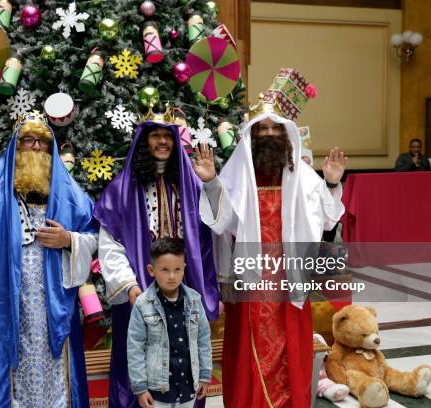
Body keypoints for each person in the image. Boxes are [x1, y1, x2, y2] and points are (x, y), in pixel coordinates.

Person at [196, 75, 347, 408]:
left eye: (275, 129)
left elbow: (326, 218)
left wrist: (332, 183)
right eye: (261, 130)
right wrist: (210, 183)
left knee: (288, 350)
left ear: (286, 134)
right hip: (249, 285)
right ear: (250, 136)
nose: (268, 135)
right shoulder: (236, 175)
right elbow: (221, 221)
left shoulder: (304, 177)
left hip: (288, 284)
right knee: (248, 352)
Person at [0, 112, 97, 408]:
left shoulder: (72, 196)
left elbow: (95, 237)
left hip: (55, 309)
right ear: (16, 145)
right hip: (7, 308)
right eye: (28, 140)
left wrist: (70, 240)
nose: (36, 147)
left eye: (43, 142)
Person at [94, 116, 222, 408]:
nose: (163, 141)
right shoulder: (120, 189)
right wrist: (129, 287)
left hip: (183, 289)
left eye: (168, 135)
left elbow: (218, 228)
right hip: (139, 292)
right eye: (156, 136)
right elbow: (109, 246)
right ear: (143, 141)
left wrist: (211, 182)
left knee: (184, 361)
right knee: (136, 363)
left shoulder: (193, 186)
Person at [127, 237, 212, 408]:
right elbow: (135, 347)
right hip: (158, 389)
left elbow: (203, 340)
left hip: (188, 386)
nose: (172, 276)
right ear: (151, 270)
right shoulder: (142, 305)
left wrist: (204, 375)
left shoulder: (195, 300)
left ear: (184, 269)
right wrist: (140, 388)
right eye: (165, 270)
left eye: (177, 269)